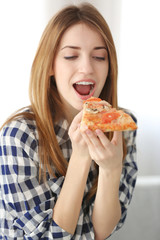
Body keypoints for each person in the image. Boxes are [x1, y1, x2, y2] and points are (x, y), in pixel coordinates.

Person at [0, 3, 138, 240]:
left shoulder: (121, 129)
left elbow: (102, 232)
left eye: (99, 56)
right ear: (51, 65)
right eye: (71, 55)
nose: (86, 68)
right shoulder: (19, 136)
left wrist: (111, 169)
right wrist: (81, 156)